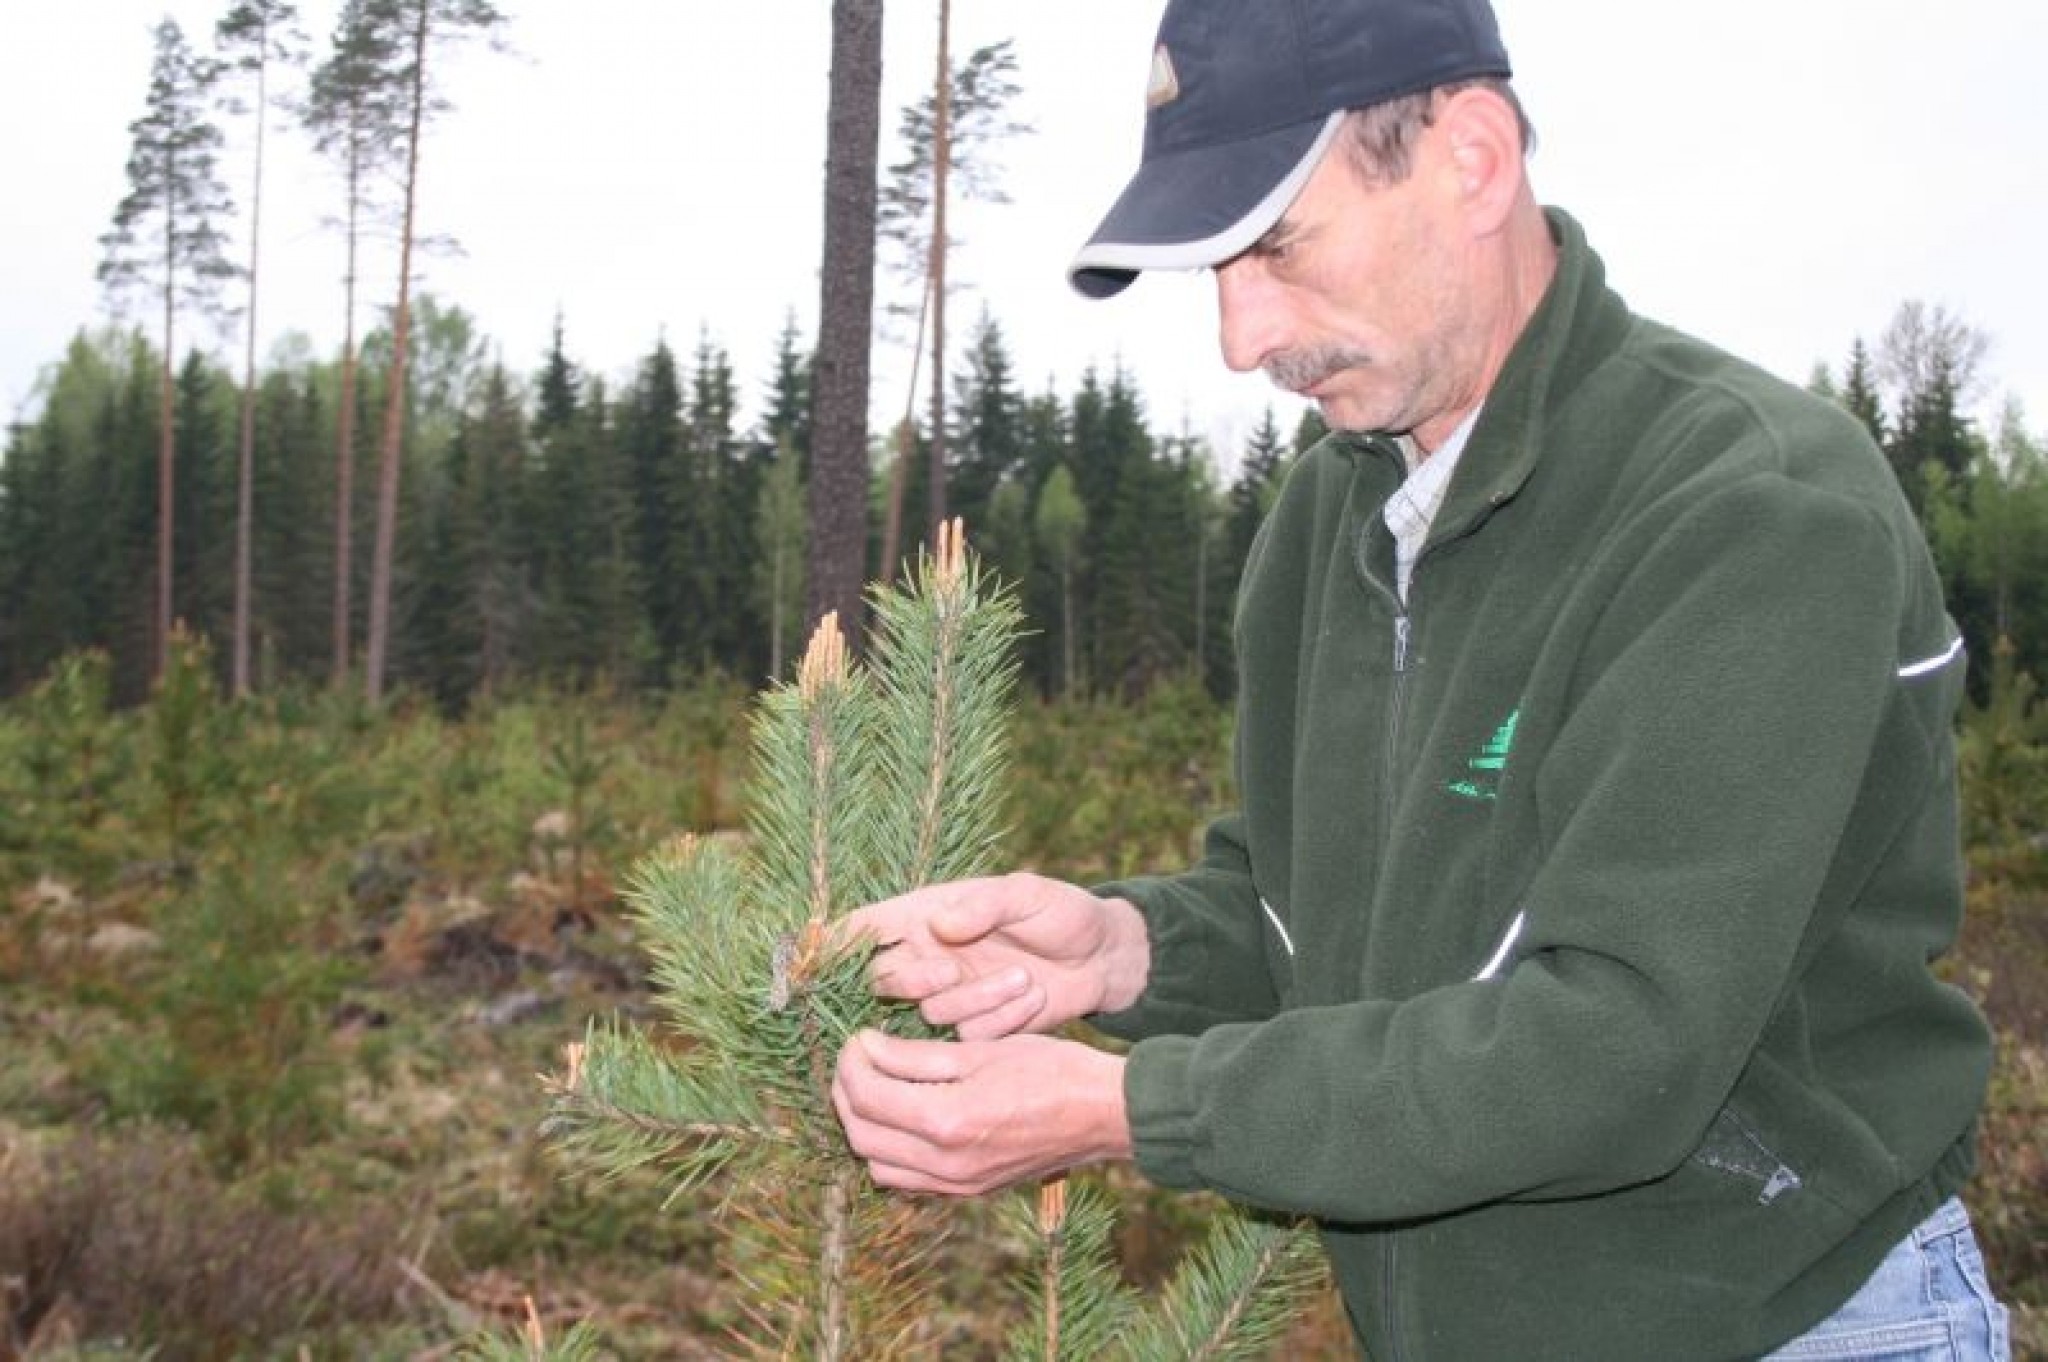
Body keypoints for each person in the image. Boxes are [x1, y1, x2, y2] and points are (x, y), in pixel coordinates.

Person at [829, 0, 2013, 1356]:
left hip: (1788, 1324)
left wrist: (1127, 1106)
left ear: (1471, 160)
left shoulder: (1749, 512)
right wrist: (1119, 948)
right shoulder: (1330, 521)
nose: (1239, 337)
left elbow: (1620, 1048)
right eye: (1214, 268)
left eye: (1275, 245)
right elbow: (1317, 924)